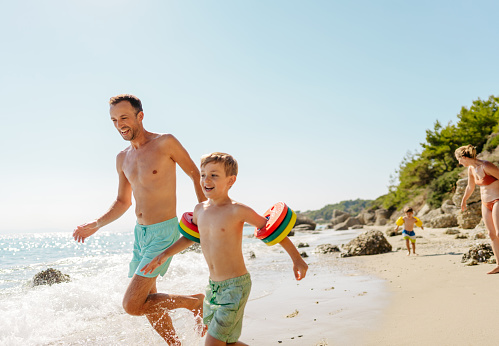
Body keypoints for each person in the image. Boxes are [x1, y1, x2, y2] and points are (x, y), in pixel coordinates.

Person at [73, 94, 207, 344]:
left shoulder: (165, 142)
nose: (119, 124)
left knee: (132, 305)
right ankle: (174, 343)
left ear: (140, 116)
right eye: (113, 120)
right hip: (140, 234)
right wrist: (97, 224)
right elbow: (123, 201)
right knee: (148, 299)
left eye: (124, 117)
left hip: (164, 231)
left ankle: (194, 302)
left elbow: (194, 173)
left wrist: (204, 213)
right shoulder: (122, 158)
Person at [141, 152, 309, 346]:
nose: (206, 180)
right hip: (213, 287)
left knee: (213, 343)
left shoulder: (238, 210)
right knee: (227, 343)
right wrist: (163, 255)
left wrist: (297, 259)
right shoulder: (199, 210)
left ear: (231, 180)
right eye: (203, 174)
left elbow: (273, 231)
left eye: (214, 175)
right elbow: (190, 237)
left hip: (235, 287)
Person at [455, 144, 499, 274]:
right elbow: (470, 187)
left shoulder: (486, 166)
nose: (458, 162)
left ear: (464, 157)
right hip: (485, 203)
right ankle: (498, 264)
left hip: (497, 199)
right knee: (491, 235)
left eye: (459, 159)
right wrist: (464, 199)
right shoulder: (471, 169)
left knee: (498, 233)